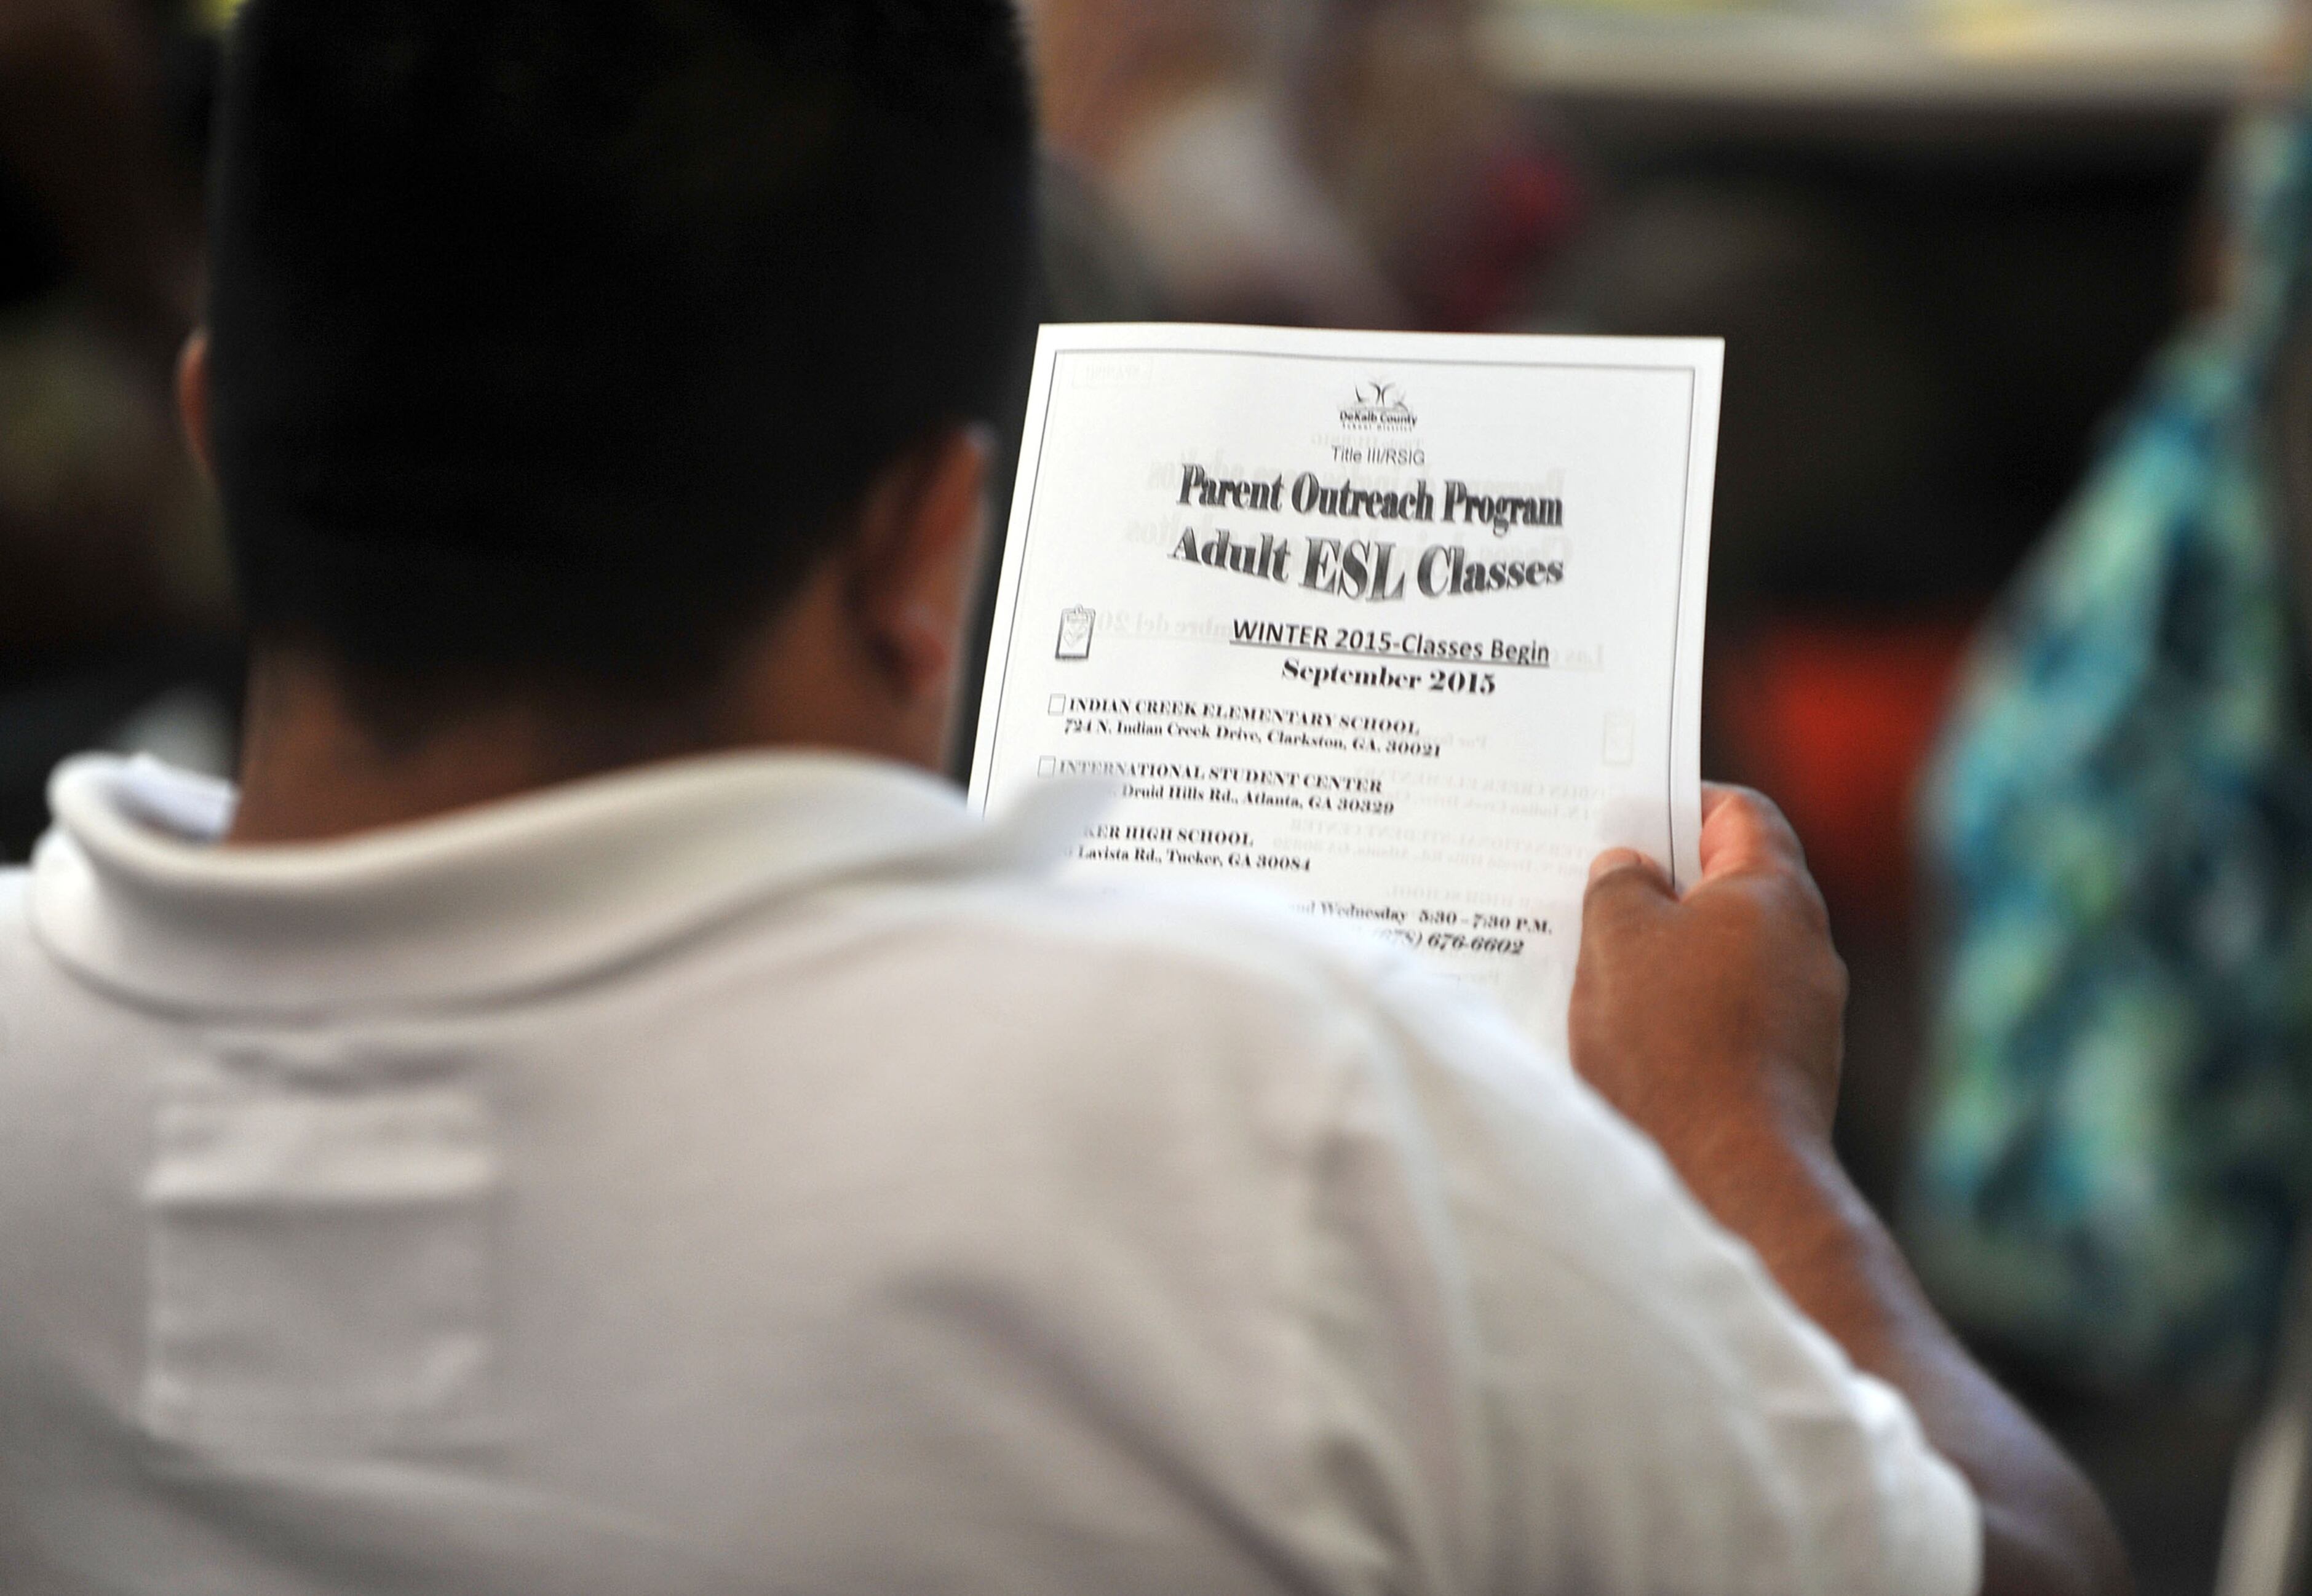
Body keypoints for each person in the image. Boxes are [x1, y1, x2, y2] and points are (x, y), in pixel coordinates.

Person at [0, 2, 2126, 1592]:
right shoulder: (1274, 1121)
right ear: (929, 554)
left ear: (213, 437)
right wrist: (1741, 1141)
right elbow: (2013, 1565)